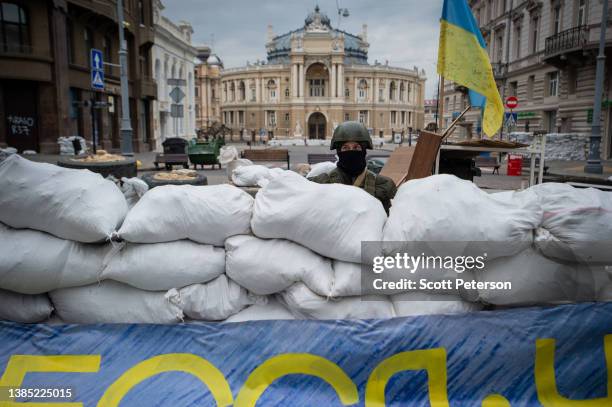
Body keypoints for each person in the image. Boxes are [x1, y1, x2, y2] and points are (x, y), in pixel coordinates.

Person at [308, 121, 397, 214]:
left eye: (356, 147)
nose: (351, 152)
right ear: (338, 151)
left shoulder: (384, 185)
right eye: (345, 148)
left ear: (364, 151)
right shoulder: (321, 183)